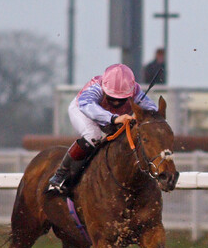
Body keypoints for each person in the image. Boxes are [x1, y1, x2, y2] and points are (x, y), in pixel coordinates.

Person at [47, 64, 158, 193]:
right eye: (112, 98)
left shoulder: (136, 91)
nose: (116, 103)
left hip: (113, 117)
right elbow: (86, 104)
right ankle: (61, 174)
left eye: (121, 100)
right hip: (83, 110)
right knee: (93, 136)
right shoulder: (96, 87)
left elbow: (153, 111)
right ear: (104, 89)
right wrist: (113, 119)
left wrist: (142, 118)